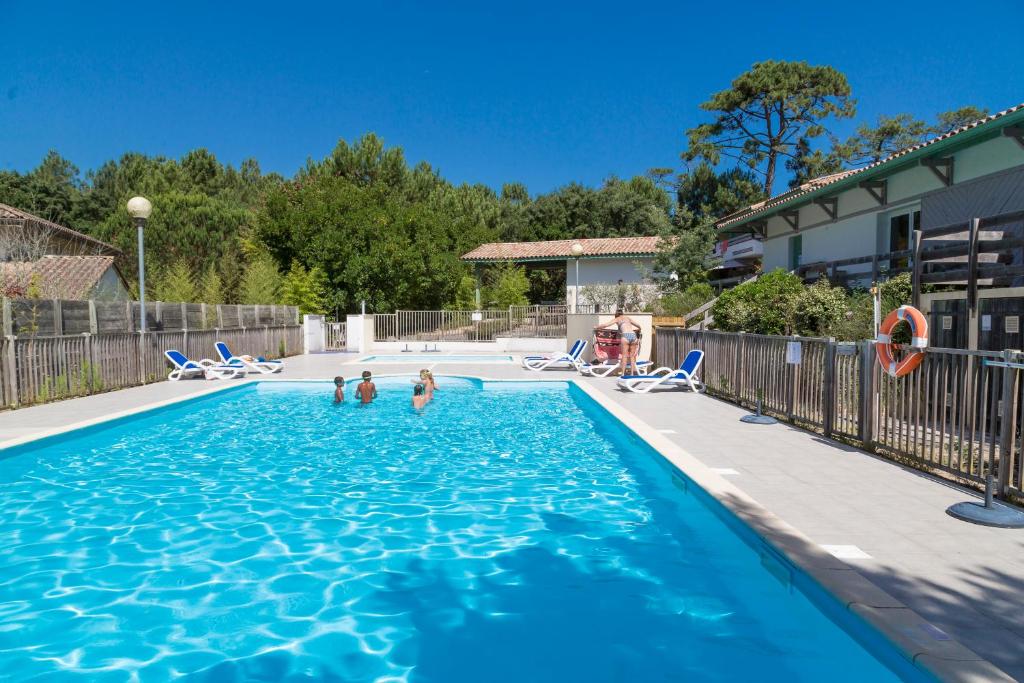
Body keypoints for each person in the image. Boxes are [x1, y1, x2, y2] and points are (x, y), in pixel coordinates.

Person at [596, 308, 642, 376]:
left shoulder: (617, 319)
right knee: (632, 356)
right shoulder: (628, 318)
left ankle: (623, 374)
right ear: (622, 313)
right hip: (633, 335)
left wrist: (597, 327)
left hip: (625, 335)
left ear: (616, 315)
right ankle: (632, 373)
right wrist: (639, 329)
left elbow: (605, 325)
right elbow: (638, 326)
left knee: (624, 356)